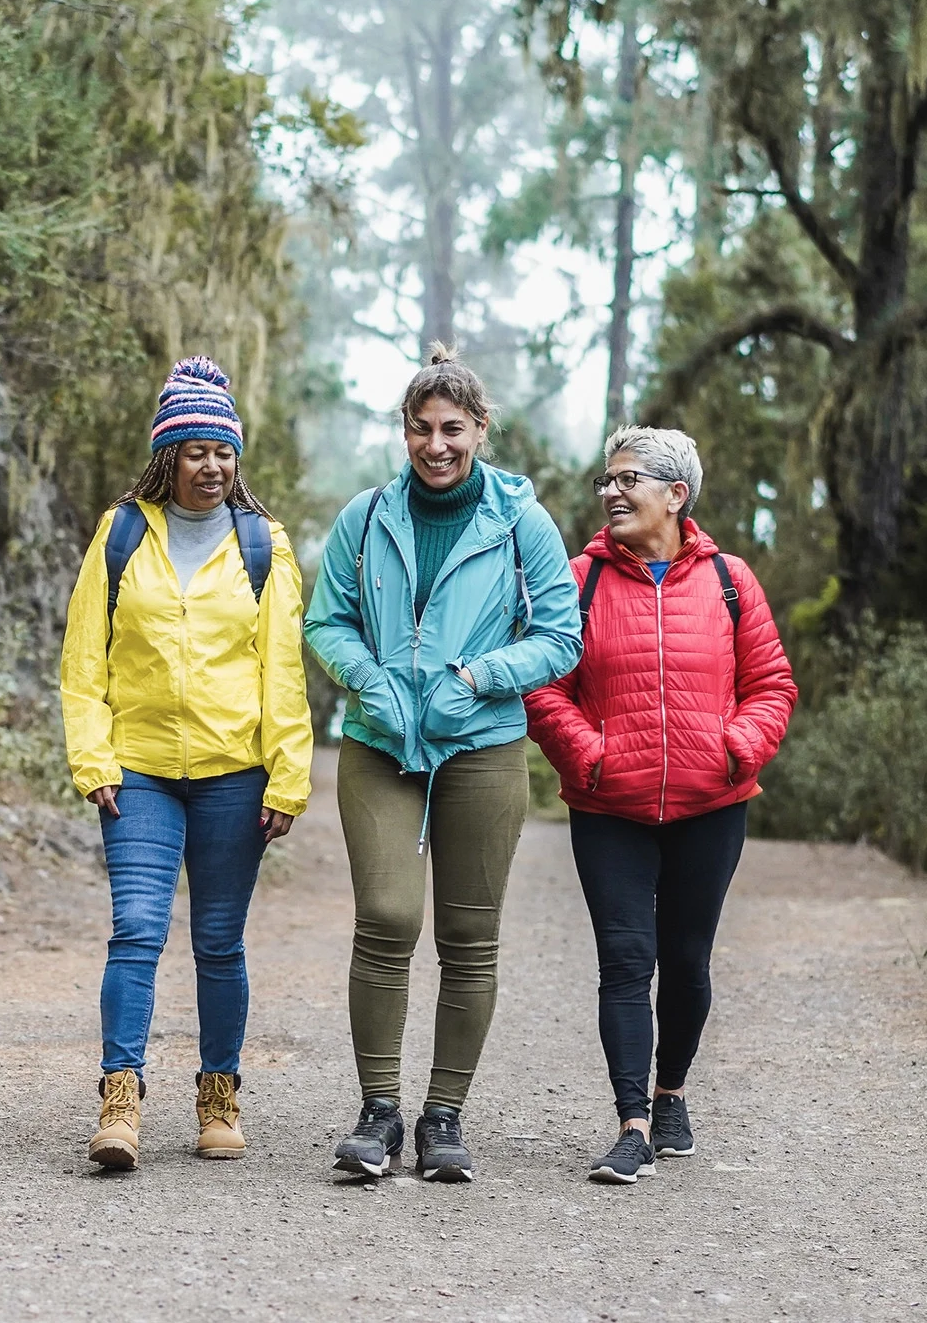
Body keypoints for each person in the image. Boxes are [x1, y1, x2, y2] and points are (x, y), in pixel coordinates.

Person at [302, 346, 582, 1182]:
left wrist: (480, 679)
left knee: (469, 935)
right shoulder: (365, 516)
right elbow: (327, 622)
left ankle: (444, 1117)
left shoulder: (521, 521)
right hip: (383, 742)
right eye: (421, 429)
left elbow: (561, 636)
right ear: (403, 431)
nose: (436, 445)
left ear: (480, 430)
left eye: (452, 429)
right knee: (387, 917)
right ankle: (379, 1112)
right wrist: (369, 678)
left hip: (483, 745)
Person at [58, 357, 314, 1171]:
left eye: (224, 453)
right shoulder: (123, 531)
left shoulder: (261, 544)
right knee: (135, 930)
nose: (211, 467)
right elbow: (82, 659)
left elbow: (281, 670)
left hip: (234, 773)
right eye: (196, 451)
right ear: (168, 456)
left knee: (217, 940)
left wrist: (289, 774)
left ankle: (218, 1094)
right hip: (138, 769)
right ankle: (120, 1099)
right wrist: (91, 755)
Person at [524, 426, 797, 1185]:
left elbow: (772, 685)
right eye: (605, 481)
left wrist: (735, 747)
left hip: (712, 805)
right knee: (624, 961)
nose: (610, 492)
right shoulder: (577, 579)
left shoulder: (731, 581)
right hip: (609, 806)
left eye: (628, 479)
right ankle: (631, 1125)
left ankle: (670, 1092)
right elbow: (545, 686)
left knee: (685, 961)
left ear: (677, 495)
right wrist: (590, 754)